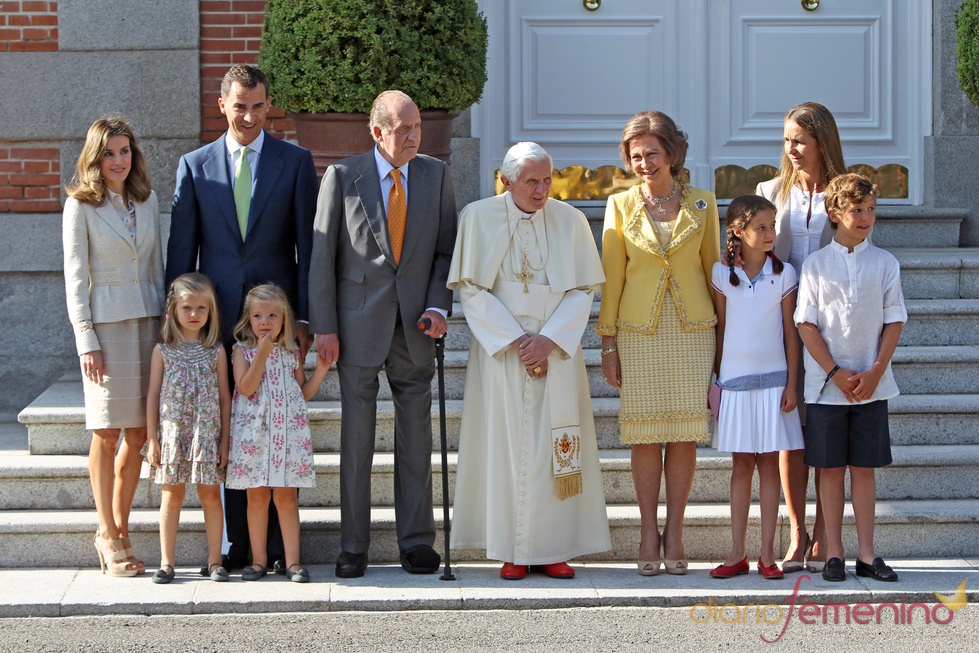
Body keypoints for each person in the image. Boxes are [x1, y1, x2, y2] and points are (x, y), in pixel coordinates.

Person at [166, 64, 318, 572]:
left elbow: (307, 247)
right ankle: (240, 548)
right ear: (222, 106)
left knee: (276, 426)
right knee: (232, 431)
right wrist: (180, 326)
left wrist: (304, 319)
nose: (249, 116)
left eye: (257, 106)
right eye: (239, 106)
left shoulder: (295, 162)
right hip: (217, 322)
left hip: (277, 320)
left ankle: (275, 549)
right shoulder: (195, 166)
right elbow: (182, 252)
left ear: (268, 105)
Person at [309, 90, 457, 578]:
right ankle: (354, 546)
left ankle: (416, 542)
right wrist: (324, 326)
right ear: (377, 132)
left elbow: (445, 251)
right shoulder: (342, 176)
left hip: (416, 328)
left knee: (415, 438)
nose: (414, 136)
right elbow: (322, 258)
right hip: (356, 327)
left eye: (418, 127)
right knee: (357, 441)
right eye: (403, 128)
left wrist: (437, 304)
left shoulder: (436, 175)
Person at [447, 142, 611, 580]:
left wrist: (548, 340)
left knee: (555, 446)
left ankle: (552, 548)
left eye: (547, 179)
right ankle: (512, 549)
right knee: (506, 447)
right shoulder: (477, 217)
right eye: (531, 181)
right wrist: (519, 341)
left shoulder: (571, 220)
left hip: (556, 351)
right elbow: (471, 289)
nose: (542, 190)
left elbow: (583, 289)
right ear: (505, 181)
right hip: (503, 353)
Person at [598, 110, 720, 576]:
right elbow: (612, 278)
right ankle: (648, 532)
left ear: (671, 153)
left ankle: (676, 532)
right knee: (645, 435)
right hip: (638, 333)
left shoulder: (704, 203)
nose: (644, 163)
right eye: (635, 156)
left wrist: (724, 342)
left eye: (652, 153)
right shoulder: (619, 205)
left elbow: (714, 273)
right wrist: (608, 343)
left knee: (685, 434)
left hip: (693, 332)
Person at [63, 116, 164, 577]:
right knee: (106, 433)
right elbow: (75, 278)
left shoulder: (147, 200)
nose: (118, 160)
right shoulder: (80, 206)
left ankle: (121, 529)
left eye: (124, 151)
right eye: (108, 153)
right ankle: (105, 532)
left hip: (146, 325)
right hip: (105, 330)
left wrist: (165, 332)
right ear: (95, 157)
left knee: (139, 434)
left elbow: (157, 268)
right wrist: (86, 340)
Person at [794, 173, 906, 583]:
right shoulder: (815, 265)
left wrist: (876, 370)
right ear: (834, 213)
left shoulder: (885, 263)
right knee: (829, 470)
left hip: (872, 387)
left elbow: (894, 320)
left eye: (871, 209)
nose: (865, 217)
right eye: (856, 210)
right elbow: (806, 324)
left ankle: (868, 554)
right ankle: (834, 553)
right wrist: (835, 372)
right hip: (827, 389)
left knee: (863, 468)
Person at [754, 102, 847, 573]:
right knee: (792, 432)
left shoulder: (845, 191)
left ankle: (827, 531)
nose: (791, 148)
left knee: (827, 428)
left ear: (821, 142)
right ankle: (797, 532)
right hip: (784, 322)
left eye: (800, 140)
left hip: (834, 323)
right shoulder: (770, 191)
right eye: (787, 139)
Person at [707, 196, 804, 581]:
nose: (770, 233)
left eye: (772, 226)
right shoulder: (720, 274)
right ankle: (737, 554)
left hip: (775, 383)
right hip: (734, 383)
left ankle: (767, 555)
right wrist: (716, 380)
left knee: (769, 465)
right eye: (761, 227)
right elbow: (720, 329)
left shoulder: (785, 274)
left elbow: (791, 333)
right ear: (738, 231)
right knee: (741, 465)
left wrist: (791, 384)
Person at [227, 284, 329, 583]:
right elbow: (246, 387)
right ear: (248, 319)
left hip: (287, 436)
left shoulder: (291, 352)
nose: (265, 321)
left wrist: (322, 369)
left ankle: (293, 561)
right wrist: (261, 354)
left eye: (273, 315)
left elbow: (301, 393)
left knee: (286, 499)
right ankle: (258, 560)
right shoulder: (241, 351)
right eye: (258, 315)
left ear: (284, 319)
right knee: (257, 498)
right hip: (255, 438)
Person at [144, 273, 230, 584]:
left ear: (211, 311)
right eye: (187, 307)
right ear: (173, 310)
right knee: (171, 494)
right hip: (173, 434)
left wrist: (224, 441)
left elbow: (224, 396)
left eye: (201, 308)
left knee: (210, 494)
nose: (194, 314)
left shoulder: (215, 350)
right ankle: (167, 562)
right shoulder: (163, 350)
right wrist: (152, 438)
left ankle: (215, 560)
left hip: (205, 435)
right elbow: (153, 395)